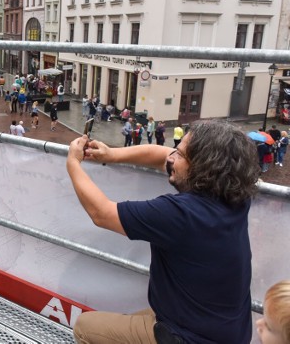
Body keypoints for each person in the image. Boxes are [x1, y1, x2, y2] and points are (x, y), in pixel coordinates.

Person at [67, 120, 258, 343]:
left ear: (203, 166)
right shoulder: (235, 194)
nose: (171, 157)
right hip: (225, 331)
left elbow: (101, 213)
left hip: (189, 337)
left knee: (85, 326)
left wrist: (73, 162)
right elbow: (161, 155)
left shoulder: (180, 214)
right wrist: (111, 154)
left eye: (180, 154)